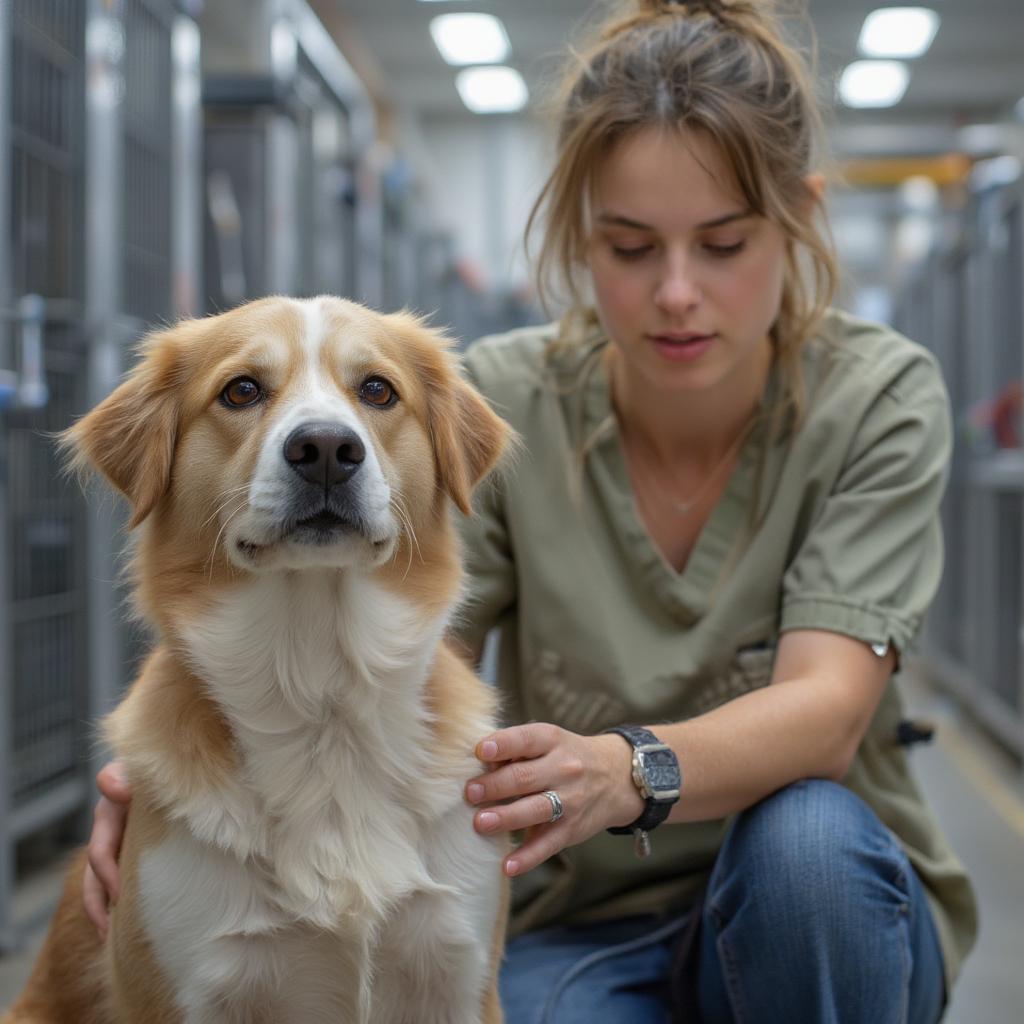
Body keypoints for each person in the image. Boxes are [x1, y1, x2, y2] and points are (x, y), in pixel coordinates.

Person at [84, 0, 977, 1020]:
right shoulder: (503, 398)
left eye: (723, 244)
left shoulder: (879, 395)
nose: (676, 292)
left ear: (801, 217)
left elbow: (829, 711)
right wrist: (178, 790)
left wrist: (624, 768)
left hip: (817, 906)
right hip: (585, 911)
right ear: (576, 234)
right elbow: (405, 673)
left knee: (811, 844)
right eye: (630, 247)